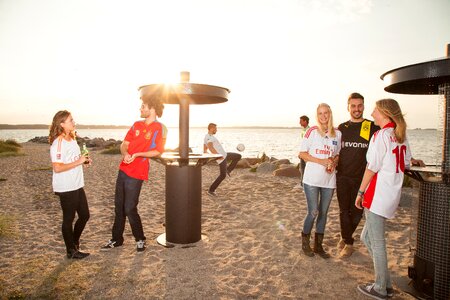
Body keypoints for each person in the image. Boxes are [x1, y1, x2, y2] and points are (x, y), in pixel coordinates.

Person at [355, 99, 411, 299]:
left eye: (375, 110)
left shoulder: (381, 135)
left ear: (385, 113)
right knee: (366, 237)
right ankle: (385, 282)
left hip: (377, 196)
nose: (371, 113)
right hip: (390, 195)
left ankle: (380, 288)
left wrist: (360, 192)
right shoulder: (400, 136)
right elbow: (406, 163)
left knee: (377, 242)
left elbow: (372, 167)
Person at [101, 96, 165, 253]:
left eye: (143, 106)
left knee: (130, 208)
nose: (140, 109)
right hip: (123, 169)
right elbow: (124, 144)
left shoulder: (159, 127)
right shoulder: (136, 124)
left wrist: (137, 155)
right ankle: (117, 240)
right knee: (119, 208)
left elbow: (158, 151)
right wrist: (125, 154)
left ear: (152, 109)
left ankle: (140, 238)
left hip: (137, 172)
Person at [335, 93, 380, 258]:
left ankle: (345, 235)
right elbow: (334, 149)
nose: (356, 109)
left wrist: (409, 157)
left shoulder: (372, 127)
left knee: (357, 213)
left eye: (359, 105)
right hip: (342, 177)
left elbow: (389, 142)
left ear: (363, 106)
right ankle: (348, 242)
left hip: (362, 179)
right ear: (348, 107)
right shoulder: (342, 128)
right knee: (343, 210)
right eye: (353, 106)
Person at [299, 103, 341, 258]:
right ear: (317, 116)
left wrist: (334, 161)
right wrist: (320, 161)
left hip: (329, 180)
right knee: (313, 212)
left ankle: (318, 246)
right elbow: (302, 154)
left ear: (330, 114)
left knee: (324, 212)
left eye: (326, 113)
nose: (324, 116)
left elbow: (337, 154)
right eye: (320, 113)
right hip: (311, 180)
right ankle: (305, 242)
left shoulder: (337, 133)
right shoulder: (311, 132)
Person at [49, 110, 91, 259]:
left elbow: (73, 159)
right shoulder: (58, 143)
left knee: (85, 215)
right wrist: (78, 162)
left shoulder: (72, 139)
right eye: (70, 120)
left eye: (73, 119)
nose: (74, 122)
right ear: (61, 124)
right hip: (66, 186)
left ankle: (74, 242)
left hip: (77, 184)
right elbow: (58, 167)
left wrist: (83, 161)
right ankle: (71, 251)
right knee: (68, 218)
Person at [204, 123, 242, 197]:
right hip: (221, 157)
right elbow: (210, 147)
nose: (216, 130)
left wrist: (206, 155)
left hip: (224, 155)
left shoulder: (208, 136)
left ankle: (228, 170)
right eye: (215, 129)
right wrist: (218, 155)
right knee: (222, 175)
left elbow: (205, 148)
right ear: (211, 128)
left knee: (238, 156)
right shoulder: (209, 137)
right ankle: (211, 190)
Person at [295, 115, 310, 189]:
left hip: (307, 153)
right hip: (303, 152)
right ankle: (302, 184)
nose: (299, 123)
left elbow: (310, 143)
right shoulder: (303, 130)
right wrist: (300, 152)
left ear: (305, 121)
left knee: (307, 169)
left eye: (301, 121)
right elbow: (303, 143)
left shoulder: (309, 130)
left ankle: (306, 184)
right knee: (302, 168)